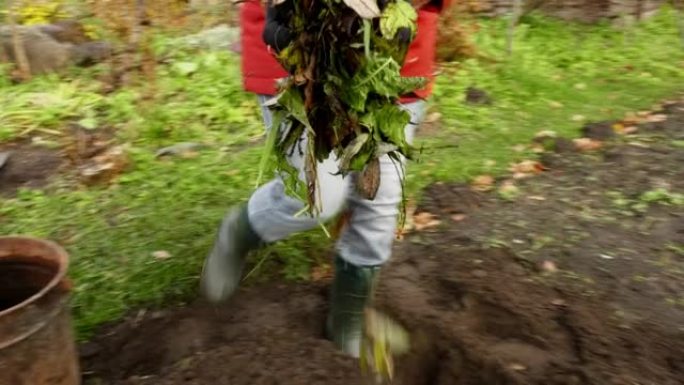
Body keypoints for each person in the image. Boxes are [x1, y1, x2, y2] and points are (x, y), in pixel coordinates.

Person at [201, 0, 450, 358]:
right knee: (314, 194)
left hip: (390, 60)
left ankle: (346, 323)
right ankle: (239, 231)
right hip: (298, 52)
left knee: (379, 197)